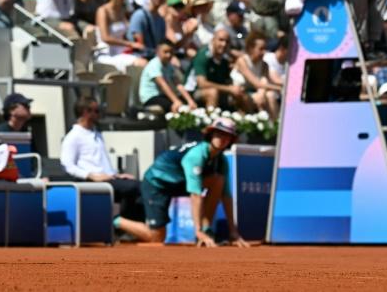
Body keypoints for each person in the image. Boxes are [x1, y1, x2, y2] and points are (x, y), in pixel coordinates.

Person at [121, 117, 249, 246]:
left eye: (227, 136)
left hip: (179, 183)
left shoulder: (221, 161)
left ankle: (207, 229)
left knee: (217, 180)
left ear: (231, 140)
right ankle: (114, 221)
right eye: (219, 133)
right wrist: (197, 231)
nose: (222, 138)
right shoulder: (196, 155)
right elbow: (195, 194)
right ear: (210, 134)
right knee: (157, 237)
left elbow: (226, 196)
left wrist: (233, 231)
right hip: (157, 184)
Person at [59, 96, 142, 235]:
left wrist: (117, 175)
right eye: (96, 111)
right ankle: (119, 228)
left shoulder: (97, 134)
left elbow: (103, 162)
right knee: (132, 188)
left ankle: (129, 230)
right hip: (89, 181)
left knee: (139, 185)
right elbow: (67, 165)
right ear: (85, 112)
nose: (99, 114)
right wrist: (91, 176)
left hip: (107, 179)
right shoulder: (73, 136)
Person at [139, 39, 195, 112]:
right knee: (175, 106)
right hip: (150, 98)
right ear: (157, 52)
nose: (168, 55)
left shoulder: (169, 66)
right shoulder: (154, 65)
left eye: (171, 52)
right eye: (165, 52)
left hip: (163, 96)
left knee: (186, 103)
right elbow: (163, 85)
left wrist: (190, 100)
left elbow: (178, 84)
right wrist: (176, 101)